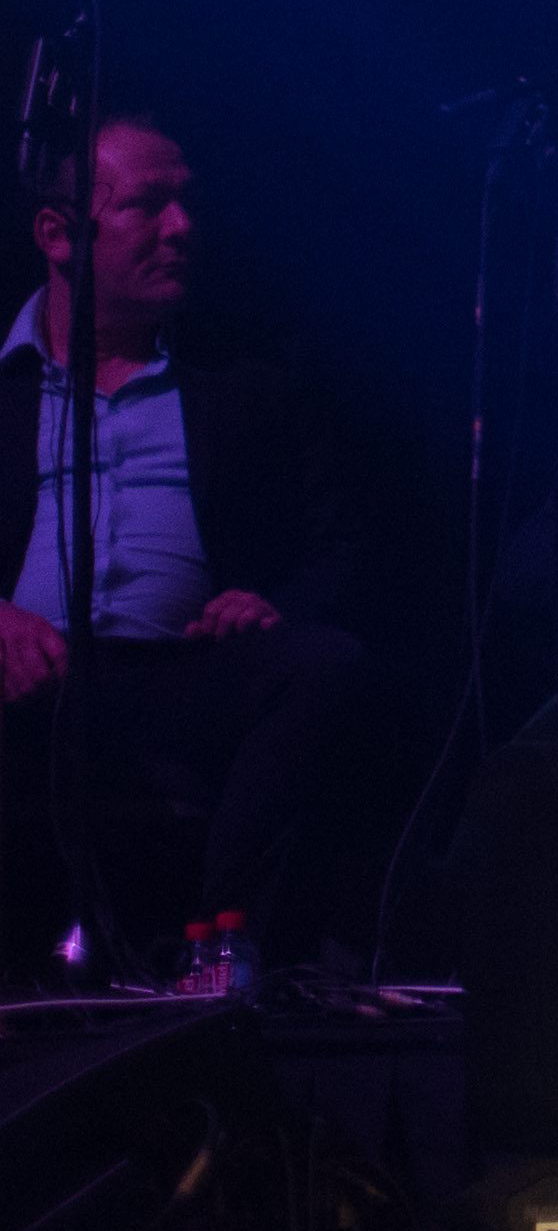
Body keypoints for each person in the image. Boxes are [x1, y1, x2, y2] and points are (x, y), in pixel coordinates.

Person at [0, 118, 392, 982]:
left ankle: (223, 942)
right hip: (28, 678)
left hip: (181, 673)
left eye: (187, 205)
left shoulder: (247, 381)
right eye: (148, 206)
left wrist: (273, 603)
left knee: (322, 664)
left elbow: (343, 548)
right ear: (59, 234)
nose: (182, 229)